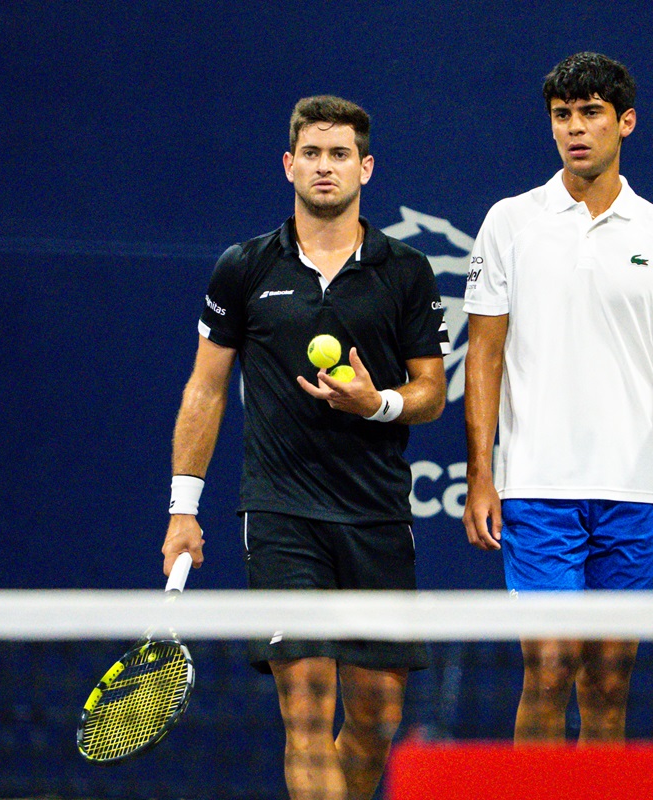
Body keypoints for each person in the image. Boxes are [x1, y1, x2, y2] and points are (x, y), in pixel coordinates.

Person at [161, 95, 448, 800]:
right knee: (309, 708)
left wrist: (377, 403)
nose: (326, 167)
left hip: (377, 514)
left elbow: (431, 392)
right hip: (282, 514)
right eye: (312, 154)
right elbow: (205, 390)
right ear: (289, 164)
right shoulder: (244, 267)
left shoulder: (406, 271)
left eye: (340, 154)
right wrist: (182, 509)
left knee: (377, 717)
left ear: (365, 168)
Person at [461, 52, 653, 744]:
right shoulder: (509, 223)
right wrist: (480, 474)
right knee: (549, 667)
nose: (575, 129)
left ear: (626, 122)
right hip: (537, 491)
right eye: (563, 116)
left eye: (591, 114)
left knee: (609, 681)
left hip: (634, 494)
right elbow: (483, 357)